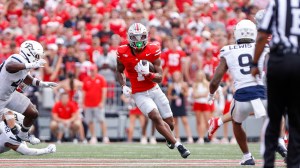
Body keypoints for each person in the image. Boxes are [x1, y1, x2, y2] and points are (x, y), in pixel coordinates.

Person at [116, 23, 190, 158]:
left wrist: (149, 74)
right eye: (135, 37)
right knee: (155, 116)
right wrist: (123, 85)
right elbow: (119, 71)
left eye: (141, 37)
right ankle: (179, 145)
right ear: (129, 38)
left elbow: (160, 78)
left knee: (170, 123)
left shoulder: (153, 49)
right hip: (139, 93)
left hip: (154, 89)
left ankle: (169, 138)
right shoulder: (122, 52)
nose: (138, 41)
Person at [208, 19, 268, 165]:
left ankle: (247, 156)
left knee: (237, 122)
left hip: (241, 97)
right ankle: (281, 143)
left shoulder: (228, 50)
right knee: (278, 115)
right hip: (263, 93)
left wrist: (211, 94)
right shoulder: (264, 47)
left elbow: (215, 80)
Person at [251, 1, 300, 167]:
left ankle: (269, 163)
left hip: (278, 62)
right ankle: (294, 163)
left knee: (274, 118)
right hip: (297, 61)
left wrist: (254, 64)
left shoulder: (277, 4)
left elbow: (262, 34)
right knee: (295, 119)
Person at [0, 40, 57, 144]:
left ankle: (23, 135)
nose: (37, 58)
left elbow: (26, 77)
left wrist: (41, 84)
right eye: (36, 55)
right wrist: (31, 64)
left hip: (10, 95)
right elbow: (10, 67)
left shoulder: (25, 65)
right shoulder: (16, 58)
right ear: (29, 52)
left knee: (33, 113)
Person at [82, 64, 109, 144]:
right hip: (88, 104)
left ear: (96, 70)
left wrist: (102, 102)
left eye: (93, 70)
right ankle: (93, 136)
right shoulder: (86, 79)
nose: (92, 72)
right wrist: (83, 103)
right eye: (91, 70)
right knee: (90, 121)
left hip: (98, 104)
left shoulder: (101, 79)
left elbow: (104, 91)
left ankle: (105, 137)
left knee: (101, 120)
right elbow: (84, 92)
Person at [167, 71, 193, 143]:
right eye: (175, 76)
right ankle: (177, 137)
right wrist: (173, 97)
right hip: (174, 104)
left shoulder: (184, 84)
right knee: (175, 122)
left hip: (181, 104)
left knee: (185, 121)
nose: (176, 77)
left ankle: (189, 137)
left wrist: (183, 92)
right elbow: (168, 95)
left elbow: (187, 94)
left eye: (177, 75)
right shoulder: (171, 85)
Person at [192, 70, 213, 144]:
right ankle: (200, 137)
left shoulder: (207, 83)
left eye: (201, 75)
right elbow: (194, 95)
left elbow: (207, 93)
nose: (200, 77)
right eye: (198, 75)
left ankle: (210, 137)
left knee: (207, 121)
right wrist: (201, 94)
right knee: (199, 121)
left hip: (205, 103)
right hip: (197, 103)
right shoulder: (195, 84)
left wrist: (199, 95)